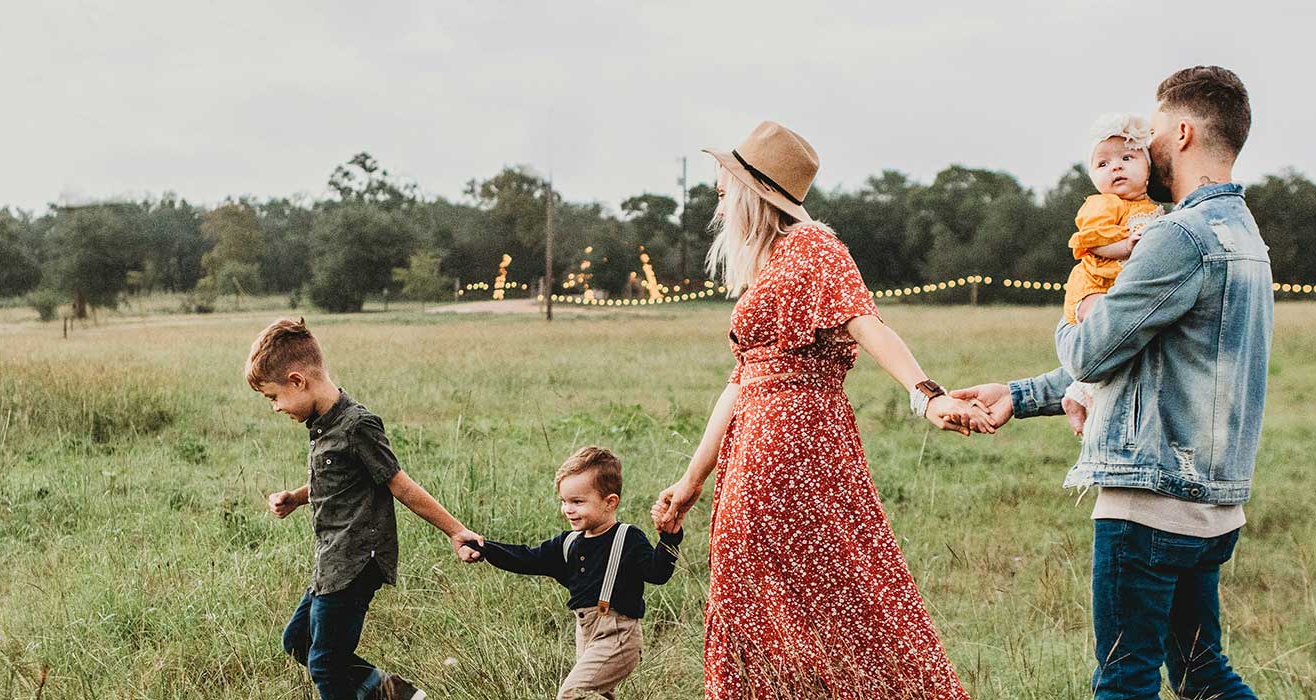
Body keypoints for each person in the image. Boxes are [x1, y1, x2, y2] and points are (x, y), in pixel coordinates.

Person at [952, 66, 1268, 700]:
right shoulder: (1242, 234)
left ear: (1180, 132)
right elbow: (1149, 354)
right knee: (1204, 675)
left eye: (1151, 131)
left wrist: (1077, 309)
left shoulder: (1178, 236)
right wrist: (1020, 394)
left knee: (1123, 681)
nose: (1145, 146)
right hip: (1212, 498)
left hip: (1150, 495)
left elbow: (1095, 353)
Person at [650, 121, 986, 699]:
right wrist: (691, 482)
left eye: (726, 185)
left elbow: (868, 324)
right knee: (776, 600)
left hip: (798, 450)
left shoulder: (812, 248)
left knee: (845, 597)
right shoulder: (769, 264)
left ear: (756, 194)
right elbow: (740, 383)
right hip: (755, 452)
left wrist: (926, 393)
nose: (719, 195)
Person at [251, 317, 485, 700]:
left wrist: (456, 530)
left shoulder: (357, 425)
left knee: (325, 663)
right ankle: (398, 695)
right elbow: (341, 481)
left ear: (297, 380)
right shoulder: (324, 424)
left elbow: (399, 484)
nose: (275, 408)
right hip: (331, 561)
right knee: (298, 642)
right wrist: (296, 497)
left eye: (273, 397)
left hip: (355, 561)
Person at [464, 446, 682, 699]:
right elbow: (526, 558)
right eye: (564, 502)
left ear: (610, 502)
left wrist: (670, 538)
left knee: (572, 694)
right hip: (586, 634)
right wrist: (484, 548)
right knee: (599, 694)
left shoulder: (627, 538)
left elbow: (658, 573)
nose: (568, 509)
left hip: (618, 635)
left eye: (578, 502)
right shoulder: (568, 543)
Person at [1060, 112, 1165, 431]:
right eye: (1102, 164)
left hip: (1118, 289)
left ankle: (1079, 394)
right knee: (1104, 332)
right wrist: (1126, 246)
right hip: (1093, 286)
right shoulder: (1103, 204)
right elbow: (1092, 242)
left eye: (1127, 157)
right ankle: (1080, 395)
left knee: (1122, 342)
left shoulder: (1153, 209)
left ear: (1148, 167)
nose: (1115, 167)